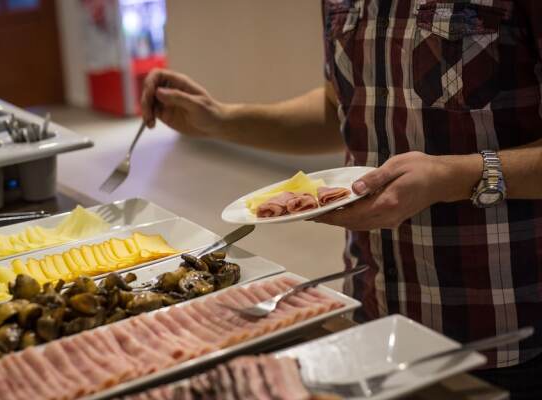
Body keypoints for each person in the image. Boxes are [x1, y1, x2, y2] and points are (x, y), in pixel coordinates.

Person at [140, 1, 542, 398]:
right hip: (370, 310)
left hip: (503, 329)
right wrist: (221, 120)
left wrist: (455, 177)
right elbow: (342, 107)